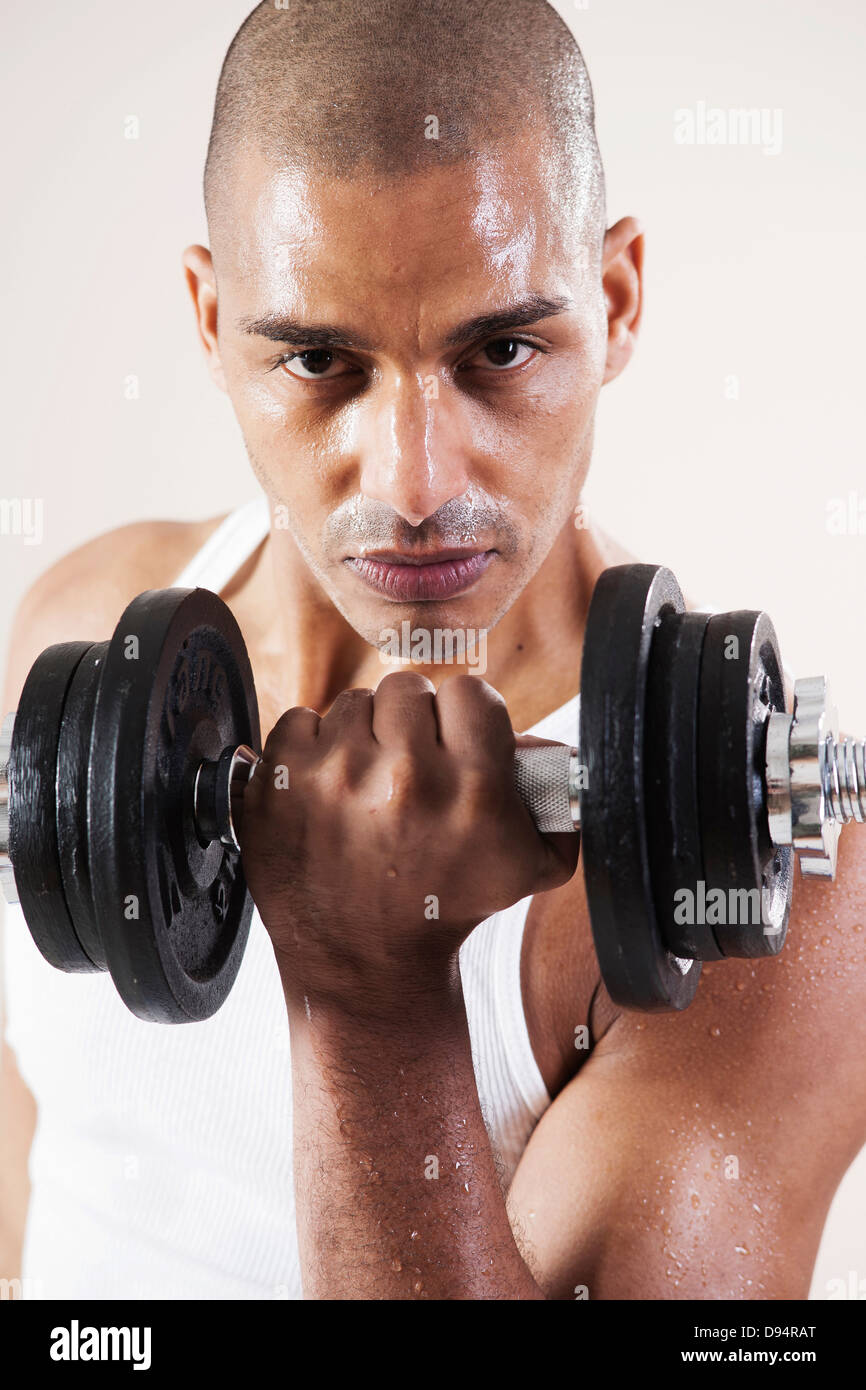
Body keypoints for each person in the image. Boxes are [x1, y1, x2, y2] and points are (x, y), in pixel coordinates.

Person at [2, 0, 864, 1300]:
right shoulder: (84, 614)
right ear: (207, 317)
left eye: (499, 349)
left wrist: (369, 1000)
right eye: (316, 359)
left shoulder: (777, 901)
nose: (410, 483)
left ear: (616, 299)